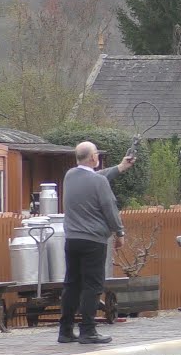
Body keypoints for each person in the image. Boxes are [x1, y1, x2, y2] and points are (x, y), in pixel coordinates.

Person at [58, 143, 135, 344]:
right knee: (92, 285)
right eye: (96, 153)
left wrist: (120, 167)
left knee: (72, 284)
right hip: (93, 240)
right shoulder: (98, 182)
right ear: (93, 157)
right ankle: (88, 330)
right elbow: (110, 208)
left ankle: (65, 331)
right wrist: (119, 232)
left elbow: (94, 177)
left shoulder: (69, 176)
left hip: (72, 239)